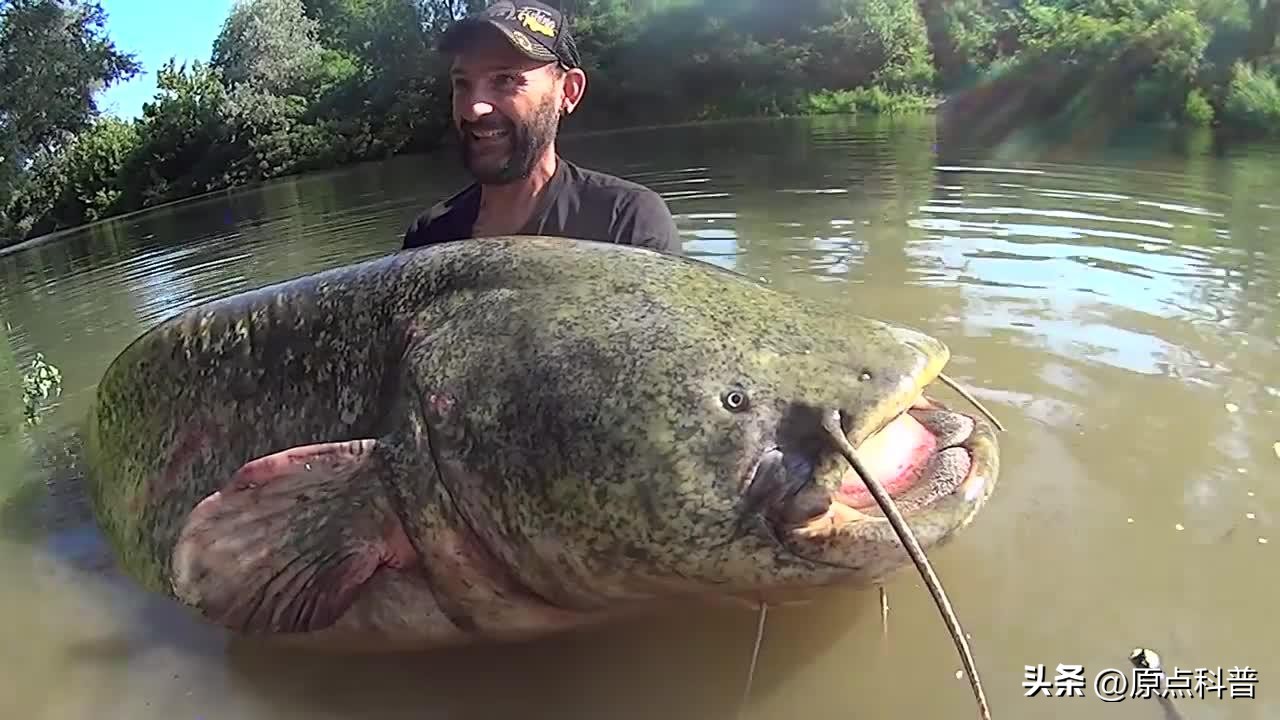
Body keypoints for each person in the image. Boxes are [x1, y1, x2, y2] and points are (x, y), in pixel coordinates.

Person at [401, 0, 681, 255]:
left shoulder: (626, 222)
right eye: (462, 84)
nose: (475, 108)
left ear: (568, 92)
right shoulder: (429, 237)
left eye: (506, 80)